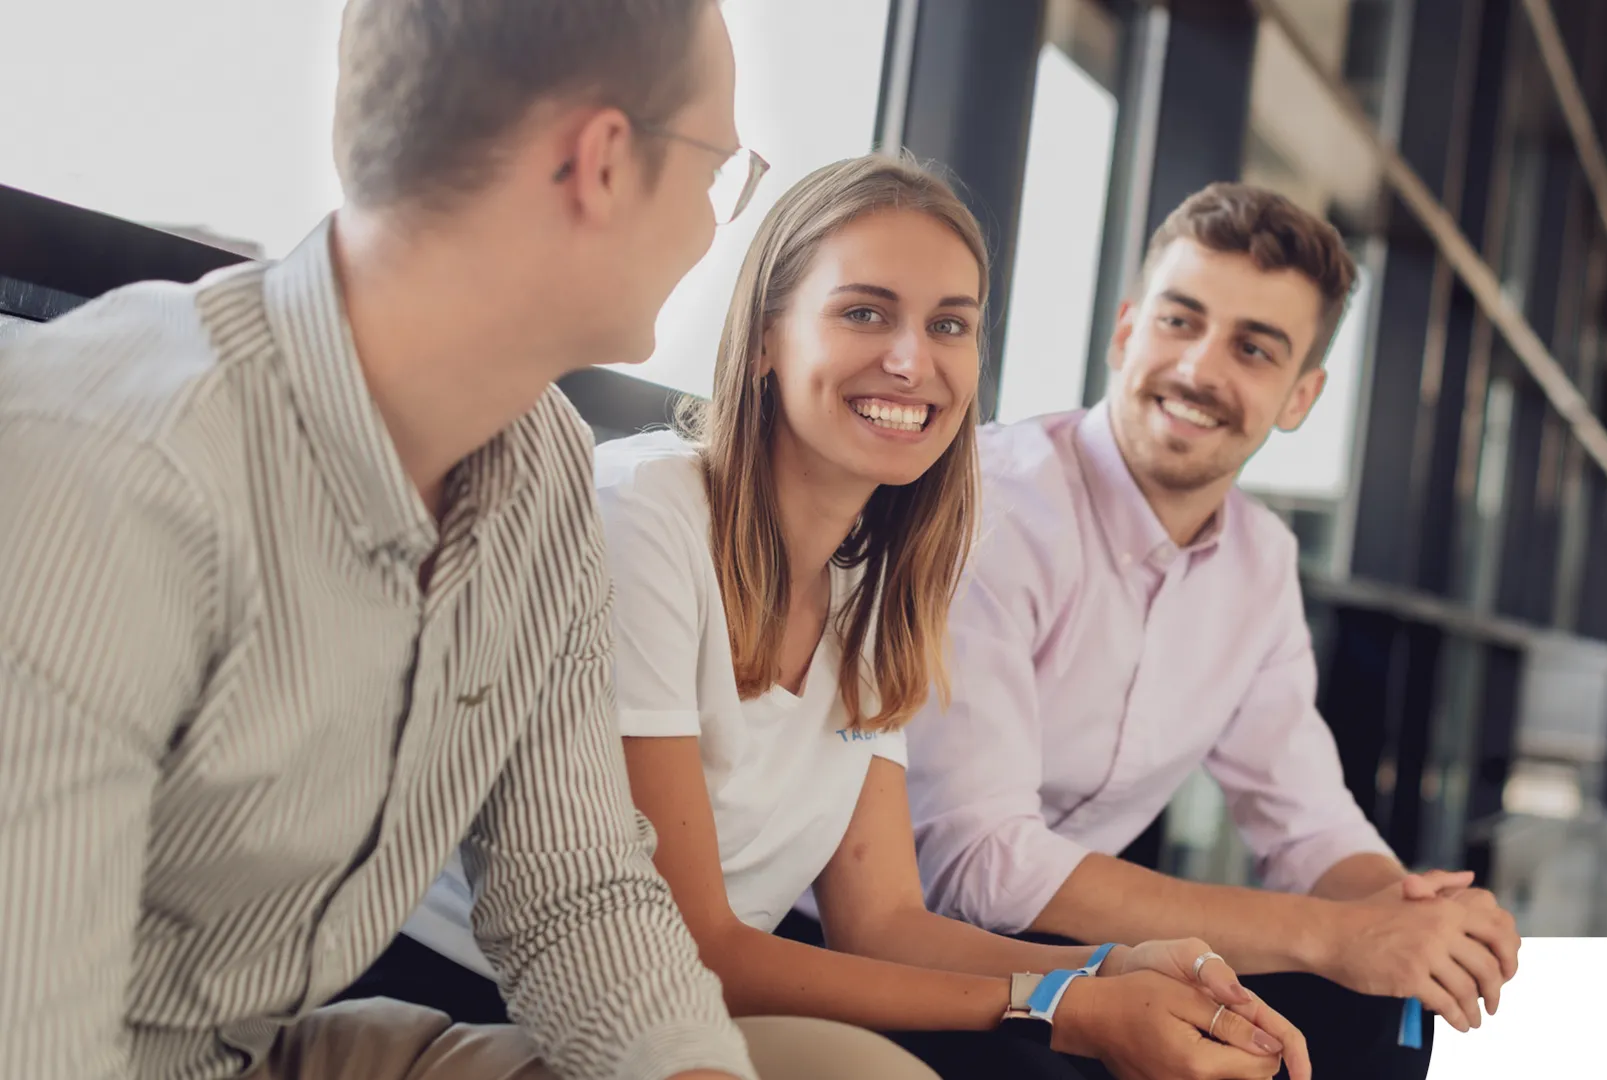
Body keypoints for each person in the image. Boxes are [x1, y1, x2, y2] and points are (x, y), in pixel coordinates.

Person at [0, 1, 906, 1077]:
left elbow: (575, 897)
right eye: (719, 171)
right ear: (603, 164)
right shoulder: (114, 463)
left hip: (267, 1047)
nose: (718, 226)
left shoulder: (543, 473)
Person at [377, 153, 1313, 1080]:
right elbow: (685, 943)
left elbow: (883, 922)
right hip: (472, 999)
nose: (912, 361)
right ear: (764, 342)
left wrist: (1113, 970)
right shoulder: (642, 522)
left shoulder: (870, 593)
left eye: (950, 324)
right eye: (864, 312)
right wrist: (1058, 1003)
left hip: (666, 1019)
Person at [897, 182, 1525, 1079]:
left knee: (1377, 1015)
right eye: (1179, 322)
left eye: (1254, 349)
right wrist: (1333, 934)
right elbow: (980, 865)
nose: (1199, 369)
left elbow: (1304, 822)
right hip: (907, 948)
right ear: (1125, 332)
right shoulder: (998, 508)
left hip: (1079, 950)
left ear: (1300, 396)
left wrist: (1410, 913)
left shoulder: (1259, 560)